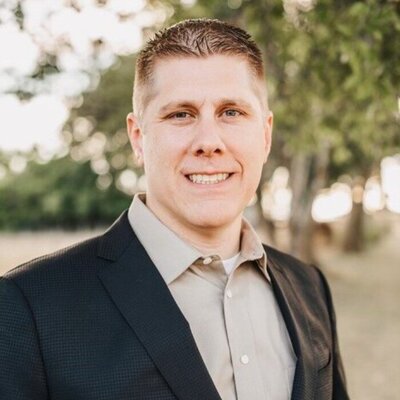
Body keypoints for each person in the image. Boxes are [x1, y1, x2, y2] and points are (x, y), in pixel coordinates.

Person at [0, 19, 349, 400]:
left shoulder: (309, 286)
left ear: (265, 136)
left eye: (231, 112)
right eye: (181, 114)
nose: (209, 142)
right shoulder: (28, 307)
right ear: (138, 137)